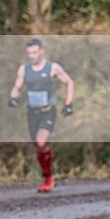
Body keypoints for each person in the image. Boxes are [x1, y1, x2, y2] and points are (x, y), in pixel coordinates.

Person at [8, 38, 75, 193]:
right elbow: (17, 86)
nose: (32, 56)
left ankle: (47, 178)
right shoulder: (24, 69)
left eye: (35, 52)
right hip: (32, 112)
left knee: (40, 142)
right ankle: (48, 174)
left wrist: (68, 103)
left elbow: (69, 82)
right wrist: (13, 98)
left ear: (41, 52)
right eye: (29, 53)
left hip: (48, 111)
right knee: (38, 147)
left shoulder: (52, 68)